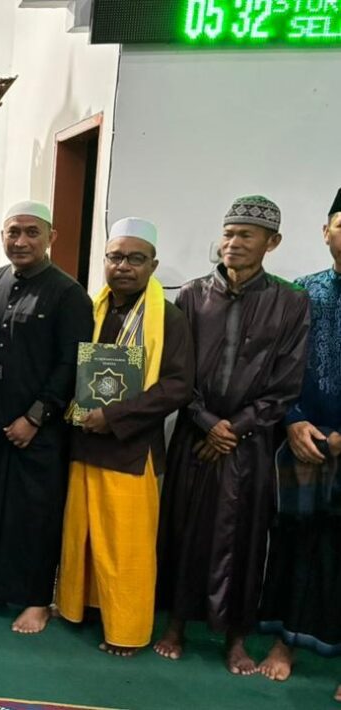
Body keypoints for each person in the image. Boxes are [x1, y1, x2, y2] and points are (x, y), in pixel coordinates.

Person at [154, 195, 310, 675]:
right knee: (183, 527)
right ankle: (176, 625)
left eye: (246, 235)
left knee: (245, 537)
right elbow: (176, 370)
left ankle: (236, 638)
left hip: (251, 443)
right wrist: (205, 421)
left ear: (272, 242)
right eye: (228, 233)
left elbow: (286, 383)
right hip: (194, 435)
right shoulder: (191, 295)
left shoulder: (290, 301)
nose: (233, 243)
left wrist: (234, 429)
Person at [55, 217, 195, 656]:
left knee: (126, 545)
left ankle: (127, 629)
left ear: (153, 266)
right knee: (83, 535)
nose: (124, 266)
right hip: (84, 442)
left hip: (132, 448)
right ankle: (83, 608)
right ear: (105, 261)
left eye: (136, 259)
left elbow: (177, 387)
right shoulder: (90, 310)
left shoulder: (168, 318)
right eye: (115, 257)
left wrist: (113, 417)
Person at [0, 200, 93, 634]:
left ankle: (36, 599)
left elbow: (71, 363)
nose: (21, 241)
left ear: (50, 237)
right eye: (13, 232)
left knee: (34, 515)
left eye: (32, 232)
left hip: (40, 430)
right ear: (2, 236)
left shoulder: (68, 294)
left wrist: (35, 418)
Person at [256, 188, 341, 684]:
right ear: (325, 232)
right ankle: (284, 642)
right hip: (302, 439)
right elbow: (274, 367)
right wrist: (291, 419)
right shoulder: (300, 294)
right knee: (294, 542)